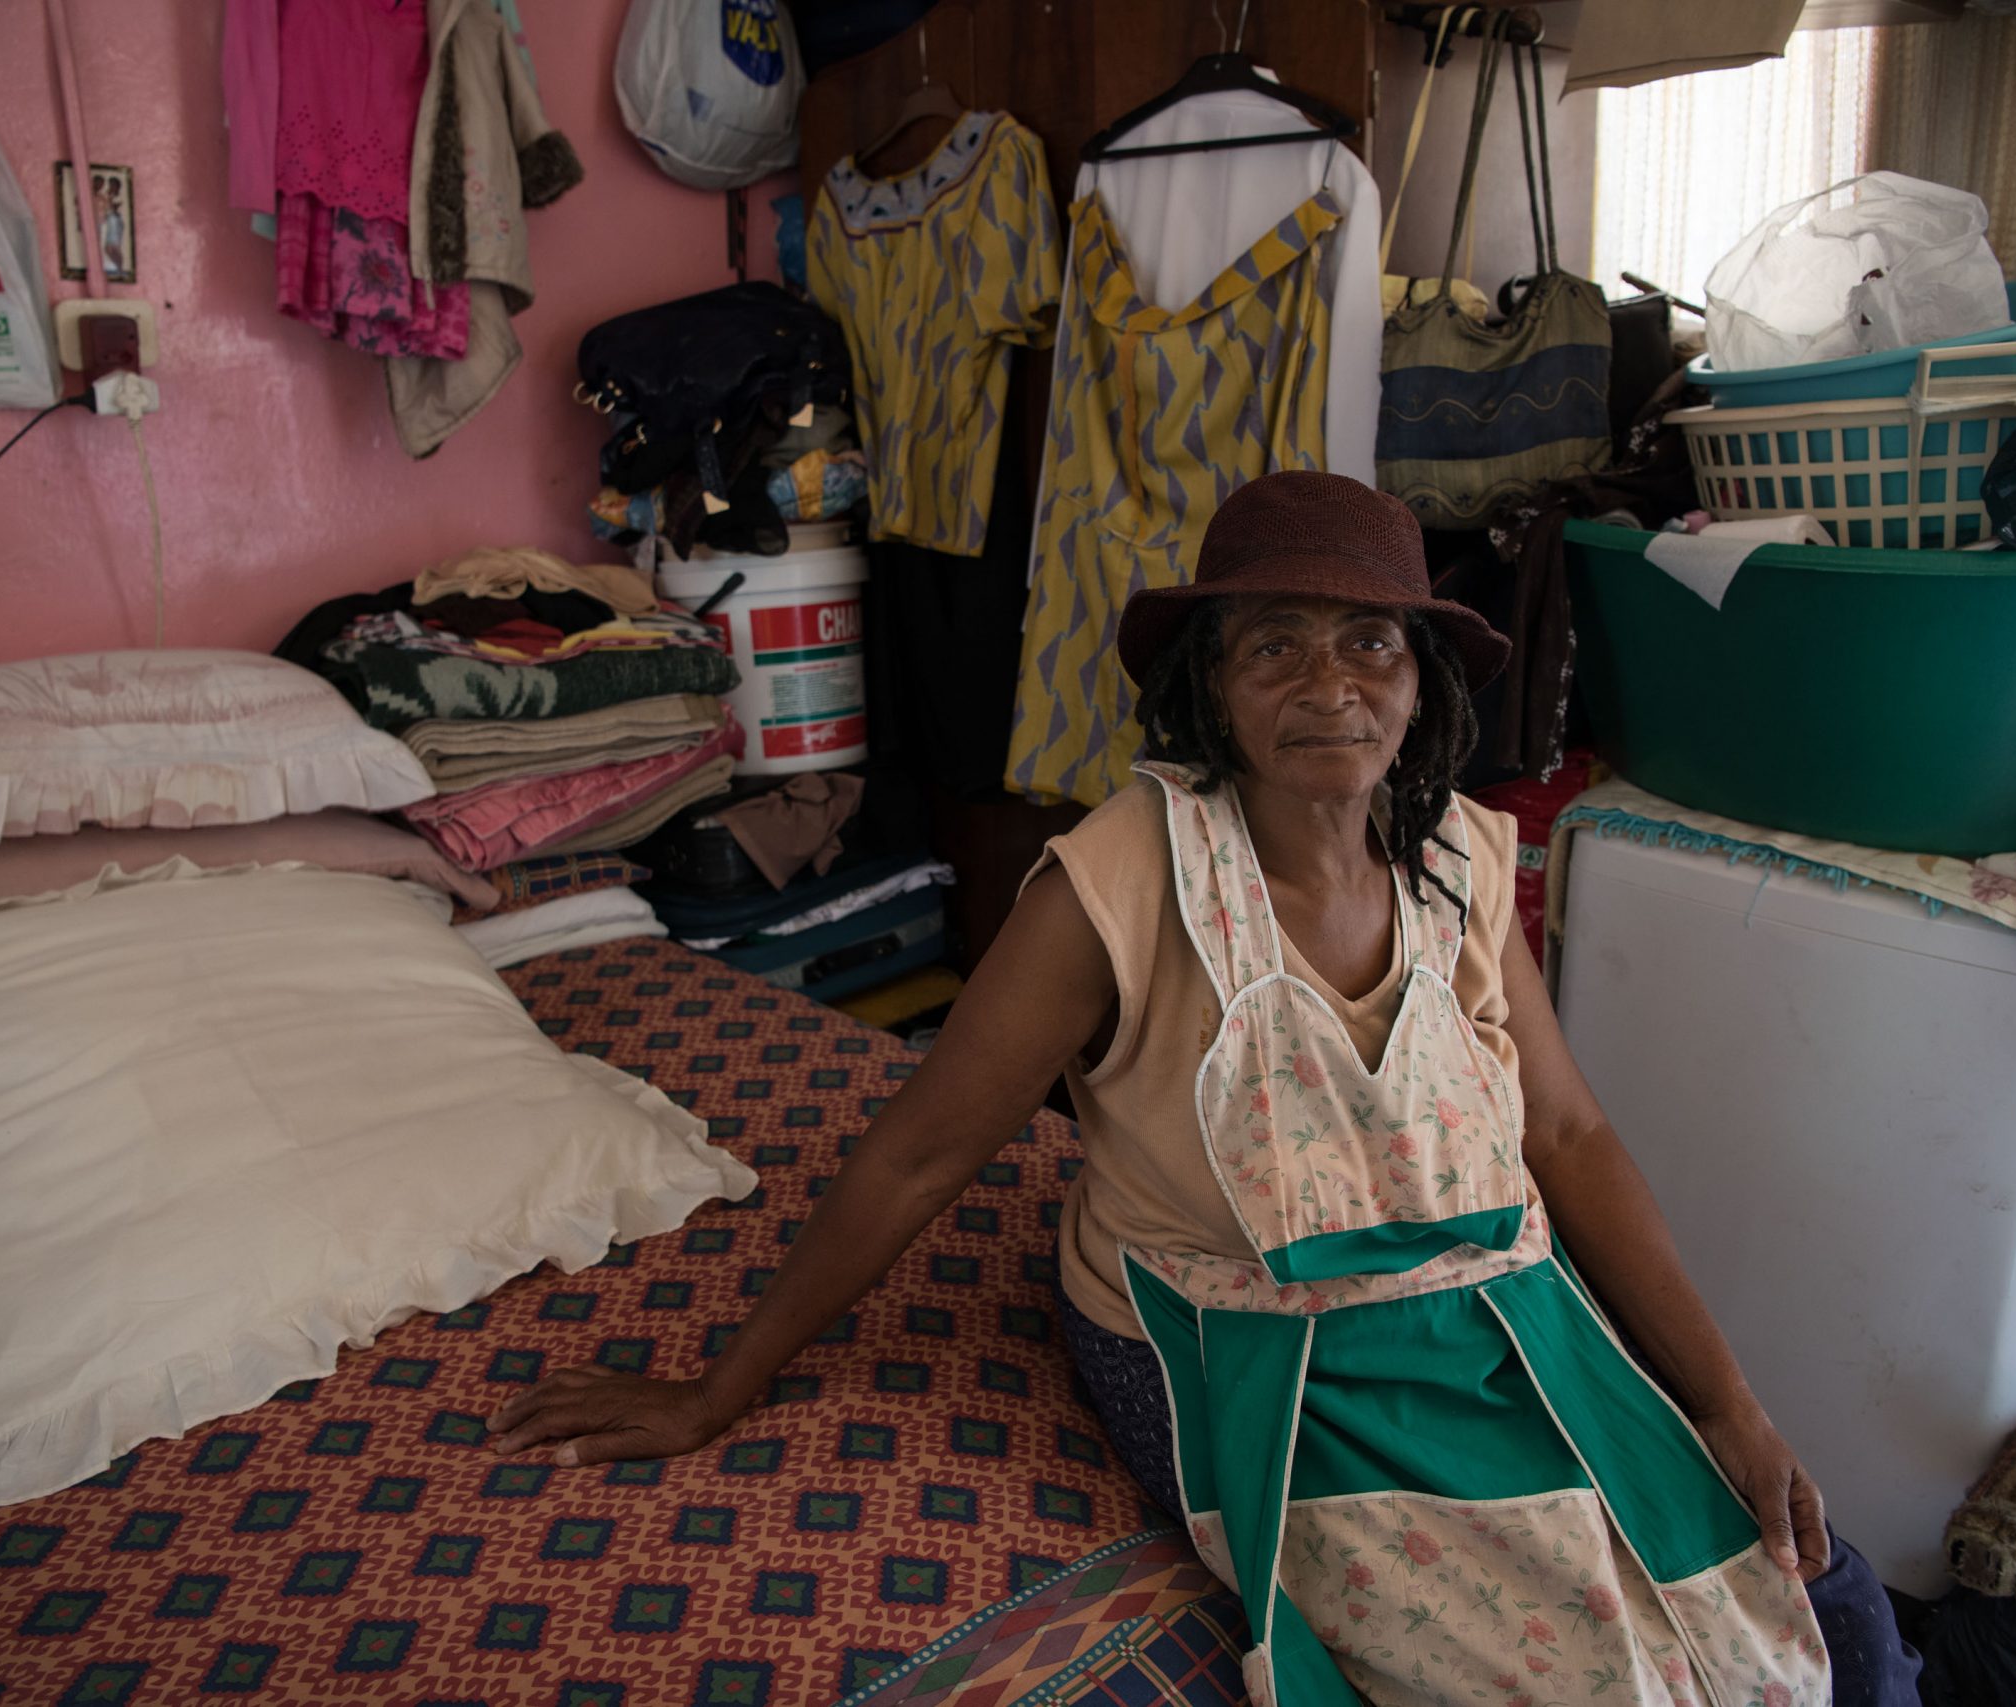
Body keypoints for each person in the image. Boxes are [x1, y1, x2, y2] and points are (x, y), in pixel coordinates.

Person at [486, 472, 1920, 1705]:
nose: (1329, 682)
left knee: (1803, 1591)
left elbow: (1567, 1130)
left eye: (1371, 642)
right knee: (1586, 1676)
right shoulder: (1121, 879)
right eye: (1272, 647)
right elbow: (919, 1158)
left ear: (1421, 686)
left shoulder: (1466, 864)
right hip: (1248, 1347)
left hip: (1497, 1318)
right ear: (1210, 692)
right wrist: (716, 1390)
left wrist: (1726, 1402)